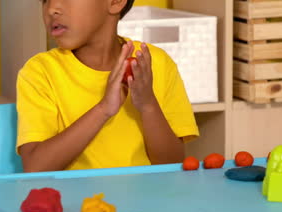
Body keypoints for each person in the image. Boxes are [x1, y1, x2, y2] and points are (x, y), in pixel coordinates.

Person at [16, 0, 199, 172]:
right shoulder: (39, 72)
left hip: (146, 200)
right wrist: (103, 109)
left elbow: (173, 164)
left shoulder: (155, 64)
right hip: (75, 203)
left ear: (115, 1)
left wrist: (148, 105)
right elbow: (35, 167)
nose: (51, 9)